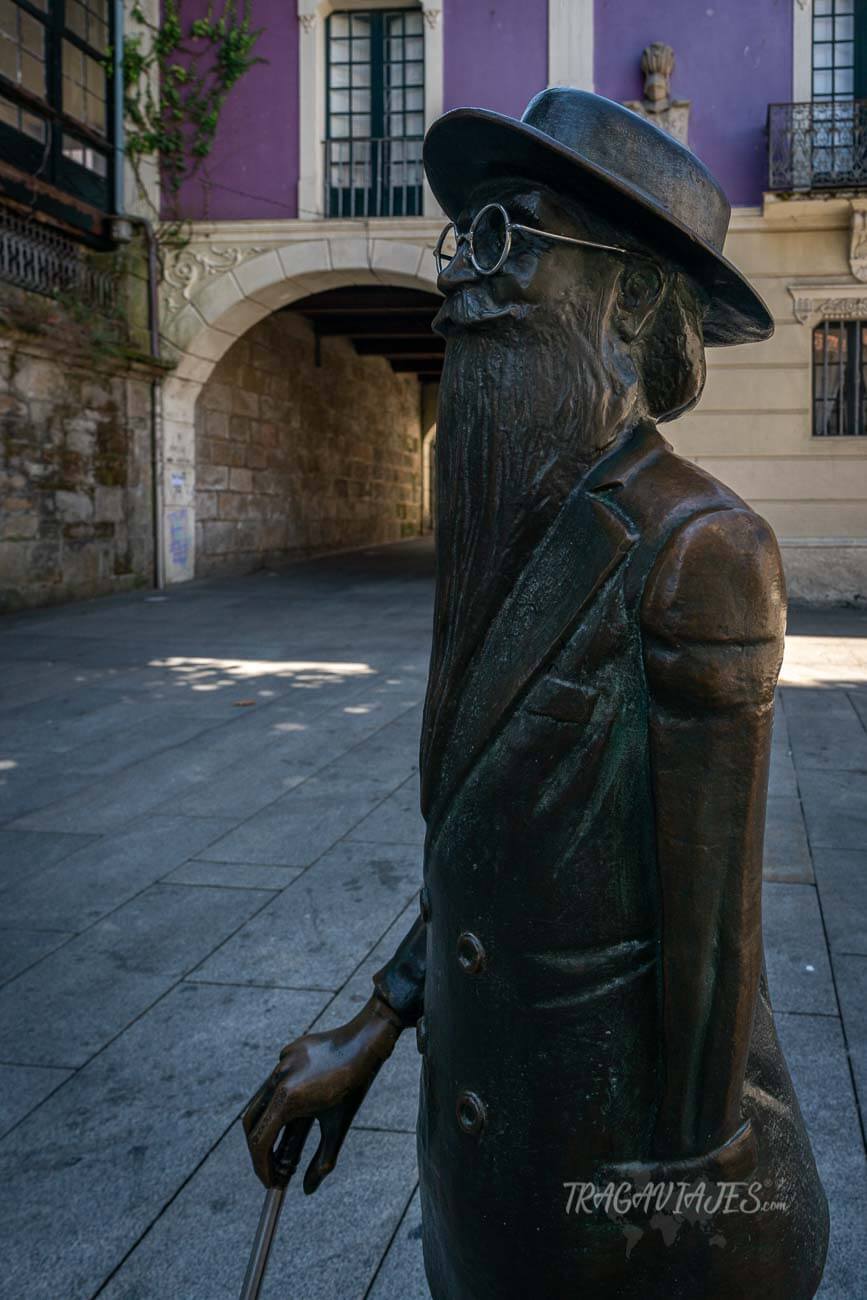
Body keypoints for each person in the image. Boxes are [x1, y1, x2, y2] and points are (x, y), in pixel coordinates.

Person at [242, 89, 829, 1299]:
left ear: (625, 301)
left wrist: (683, 1195)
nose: (461, 283)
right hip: (486, 1163)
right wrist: (381, 1020)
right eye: (466, 240)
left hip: (610, 1191)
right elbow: (495, 846)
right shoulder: (527, 531)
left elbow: (715, 946)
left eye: (510, 240)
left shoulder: (703, 551)